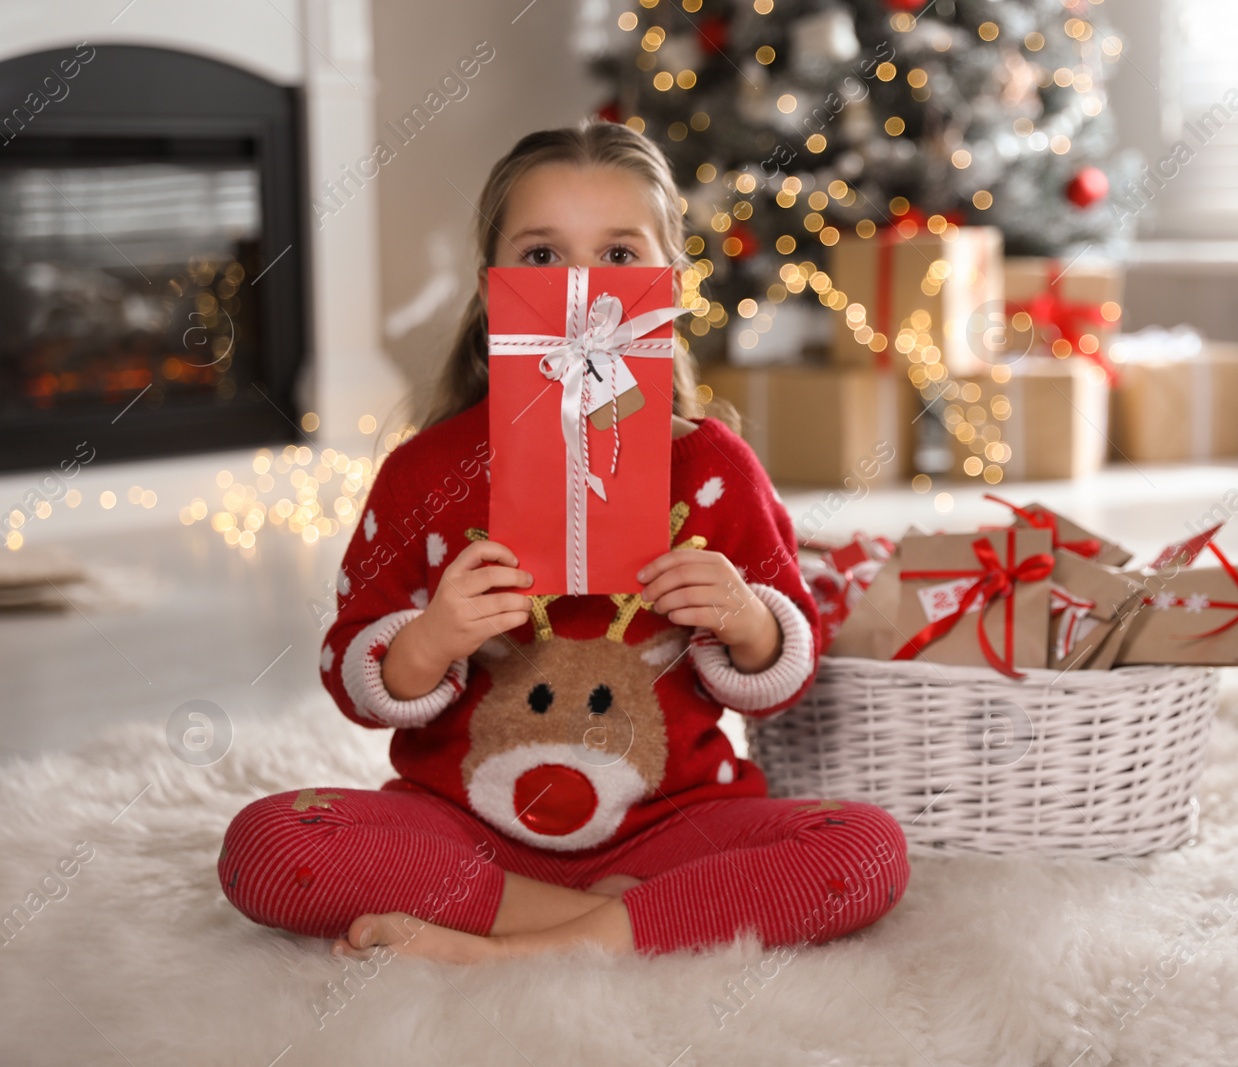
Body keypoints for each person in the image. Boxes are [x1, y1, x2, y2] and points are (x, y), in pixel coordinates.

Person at [216, 120, 909, 964]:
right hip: (464, 827)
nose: (582, 287)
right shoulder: (424, 470)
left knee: (865, 851)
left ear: (671, 283)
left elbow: (787, 670)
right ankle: (611, 924)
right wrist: (430, 639)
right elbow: (351, 674)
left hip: (675, 824)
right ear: (492, 286)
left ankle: (519, 948)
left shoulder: (716, 465)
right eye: (543, 256)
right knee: (272, 844)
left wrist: (747, 620)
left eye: (619, 254)